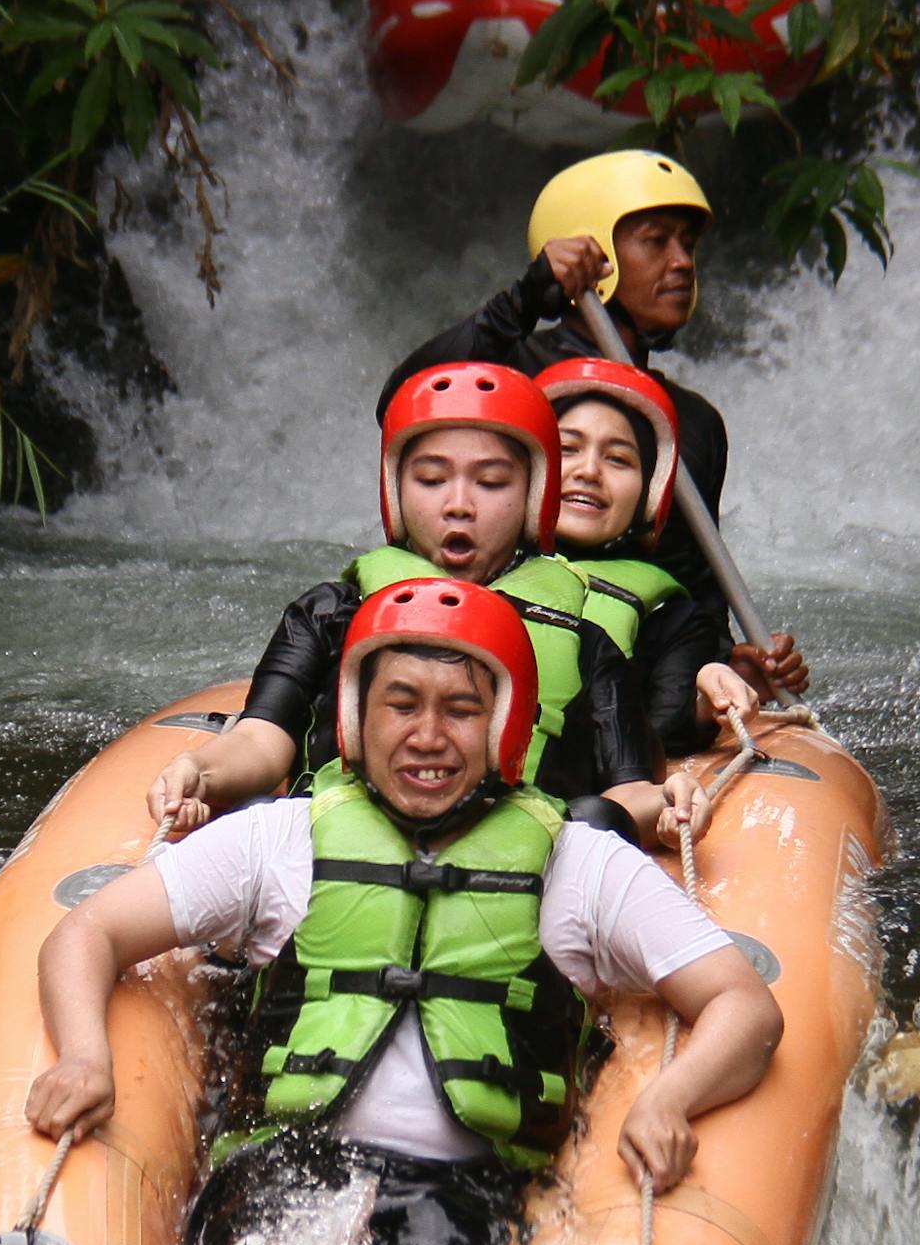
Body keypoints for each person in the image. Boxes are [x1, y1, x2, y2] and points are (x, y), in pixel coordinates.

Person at [27, 579, 784, 1245]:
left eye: (460, 708)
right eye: (401, 704)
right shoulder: (278, 838)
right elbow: (87, 932)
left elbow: (742, 1007)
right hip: (276, 1174)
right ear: (358, 717)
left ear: (504, 723)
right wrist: (86, 1057)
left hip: (468, 1198)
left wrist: (669, 1100)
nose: (429, 736)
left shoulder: (579, 862)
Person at [149, 361, 671, 843]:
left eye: (490, 482)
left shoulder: (585, 641)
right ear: (396, 490)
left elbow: (625, 791)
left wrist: (667, 804)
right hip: (345, 857)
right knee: (254, 817)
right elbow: (264, 741)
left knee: (596, 823)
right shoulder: (331, 613)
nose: (458, 505)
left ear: (536, 498)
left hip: (515, 872)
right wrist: (202, 772)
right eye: (431, 479)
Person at [379, 150, 809, 697]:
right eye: (657, 242)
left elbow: (693, 587)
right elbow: (401, 403)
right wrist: (525, 298)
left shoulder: (692, 422)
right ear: (594, 254)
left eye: (688, 245)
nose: (682, 263)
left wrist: (729, 666)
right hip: (477, 648)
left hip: (620, 674)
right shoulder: (505, 373)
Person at [541, 355, 752, 758]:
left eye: (618, 459)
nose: (589, 471)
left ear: (649, 492)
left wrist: (705, 705)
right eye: (567, 448)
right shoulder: (474, 570)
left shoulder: (673, 617)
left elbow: (658, 737)